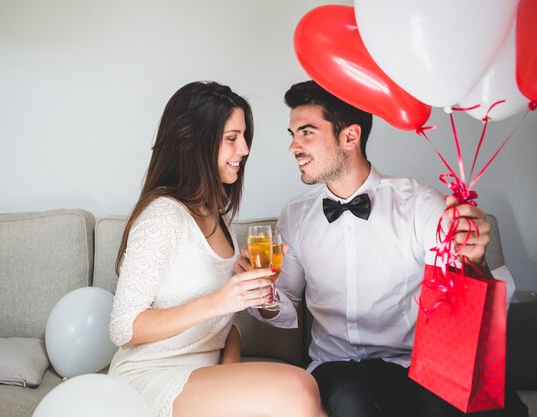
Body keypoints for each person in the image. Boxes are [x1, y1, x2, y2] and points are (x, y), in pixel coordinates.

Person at [236, 80, 527, 417]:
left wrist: (473, 260)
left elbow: (461, 296)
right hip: (336, 366)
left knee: (464, 407)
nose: (294, 147)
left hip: (412, 365)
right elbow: (285, 309)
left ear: (350, 137)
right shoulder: (296, 215)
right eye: (293, 135)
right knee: (350, 403)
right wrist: (264, 294)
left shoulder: (419, 206)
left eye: (306, 132)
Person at [107, 81, 325, 417]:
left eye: (244, 136)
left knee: (306, 388)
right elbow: (123, 328)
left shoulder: (218, 216)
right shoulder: (164, 215)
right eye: (231, 138)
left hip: (204, 376)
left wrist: (230, 370)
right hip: (151, 377)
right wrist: (218, 300)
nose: (245, 149)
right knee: (298, 389)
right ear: (196, 143)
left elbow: (228, 324)